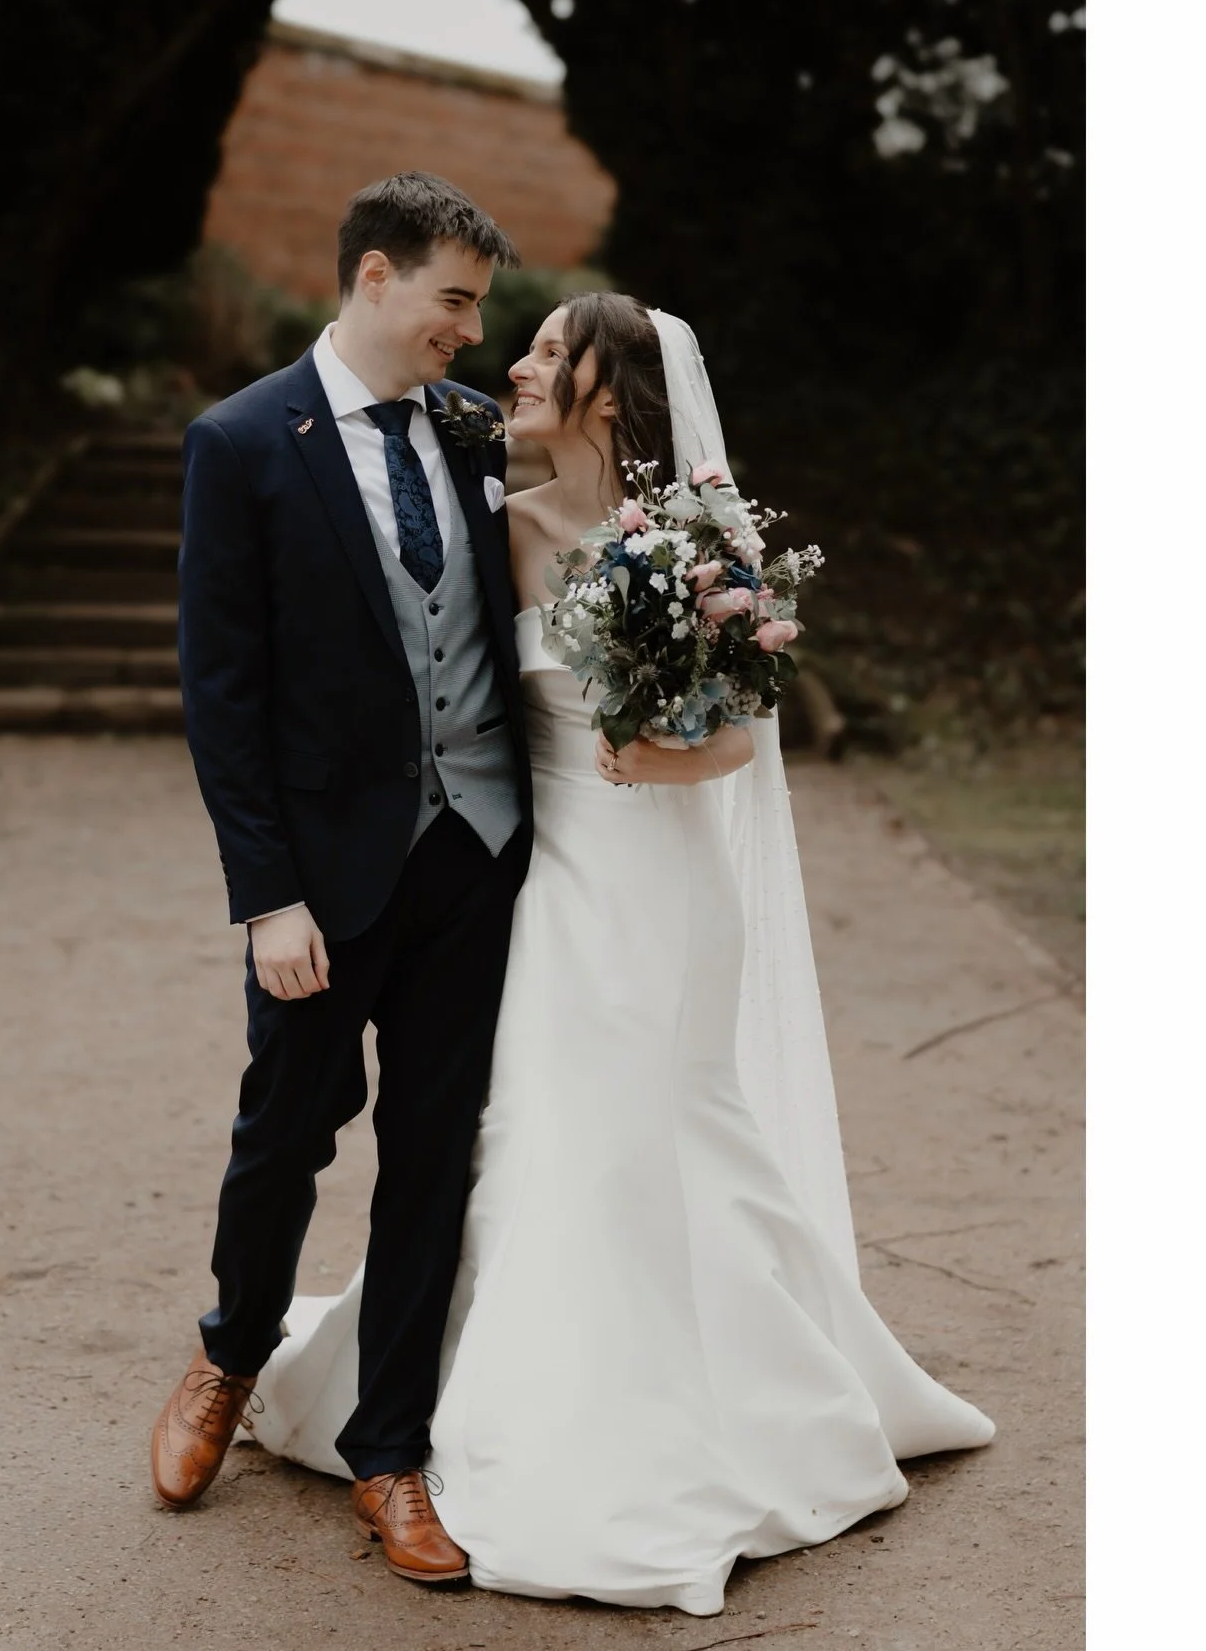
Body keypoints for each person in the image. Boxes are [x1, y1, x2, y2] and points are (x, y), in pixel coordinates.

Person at [246, 292, 996, 1617]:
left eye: (546, 347)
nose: (517, 361)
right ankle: (469, 1416)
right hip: (551, 885)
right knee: (542, 1128)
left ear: (615, 383)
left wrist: (650, 743)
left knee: (677, 1116)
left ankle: (709, 1412)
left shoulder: (702, 543)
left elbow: (735, 742)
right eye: (516, 340)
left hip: (669, 880)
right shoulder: (498, 523)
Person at [151, 172, 533, 1584]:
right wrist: (268, 898)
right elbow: (223, 694)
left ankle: (391, 1454)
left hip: (477, 859)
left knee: (434, 1162)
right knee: (287, 1140)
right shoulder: (242, 443)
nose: (470, 331)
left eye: (480, 308)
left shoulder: (480, 434)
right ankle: (229, 1357)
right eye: (454, 300)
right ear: (374, 279)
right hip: (320, 883)